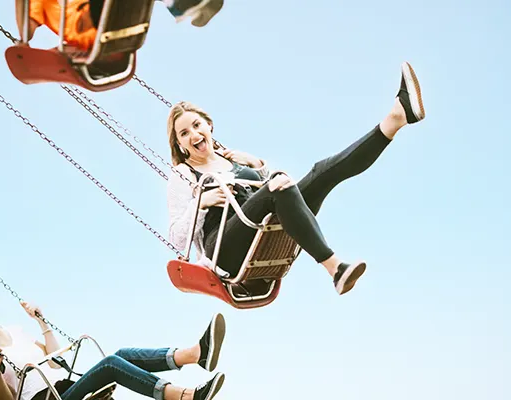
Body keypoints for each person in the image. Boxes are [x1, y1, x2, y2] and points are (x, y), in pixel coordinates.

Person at [166, 61, 426, 296]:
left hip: (262, 232)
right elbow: (177, 237)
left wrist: (258, 165)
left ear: (209, 126)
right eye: (184, 133)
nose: (194, 134)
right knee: (278, 184)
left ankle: (396, 118)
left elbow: (278, 195)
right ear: (180, 144)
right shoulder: (184, 174)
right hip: (224, 250)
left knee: (321, 172)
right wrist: (201, 202)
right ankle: (335, 268)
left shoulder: (235, 158)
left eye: (197, 125)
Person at [0, 288, 226, 400]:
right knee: (110, 365)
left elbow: (53, 359)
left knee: (120, 355)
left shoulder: (16, 331)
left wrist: (42, 322)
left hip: (66, 387)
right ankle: (183, 396)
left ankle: (195, 355)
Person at [15, 0, 224, 51]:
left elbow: (27, 28)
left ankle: (185, 3)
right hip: (92, 30)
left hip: (112, 25)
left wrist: (23, 42)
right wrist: (23, 44)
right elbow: (27, 28)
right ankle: (184, 3)